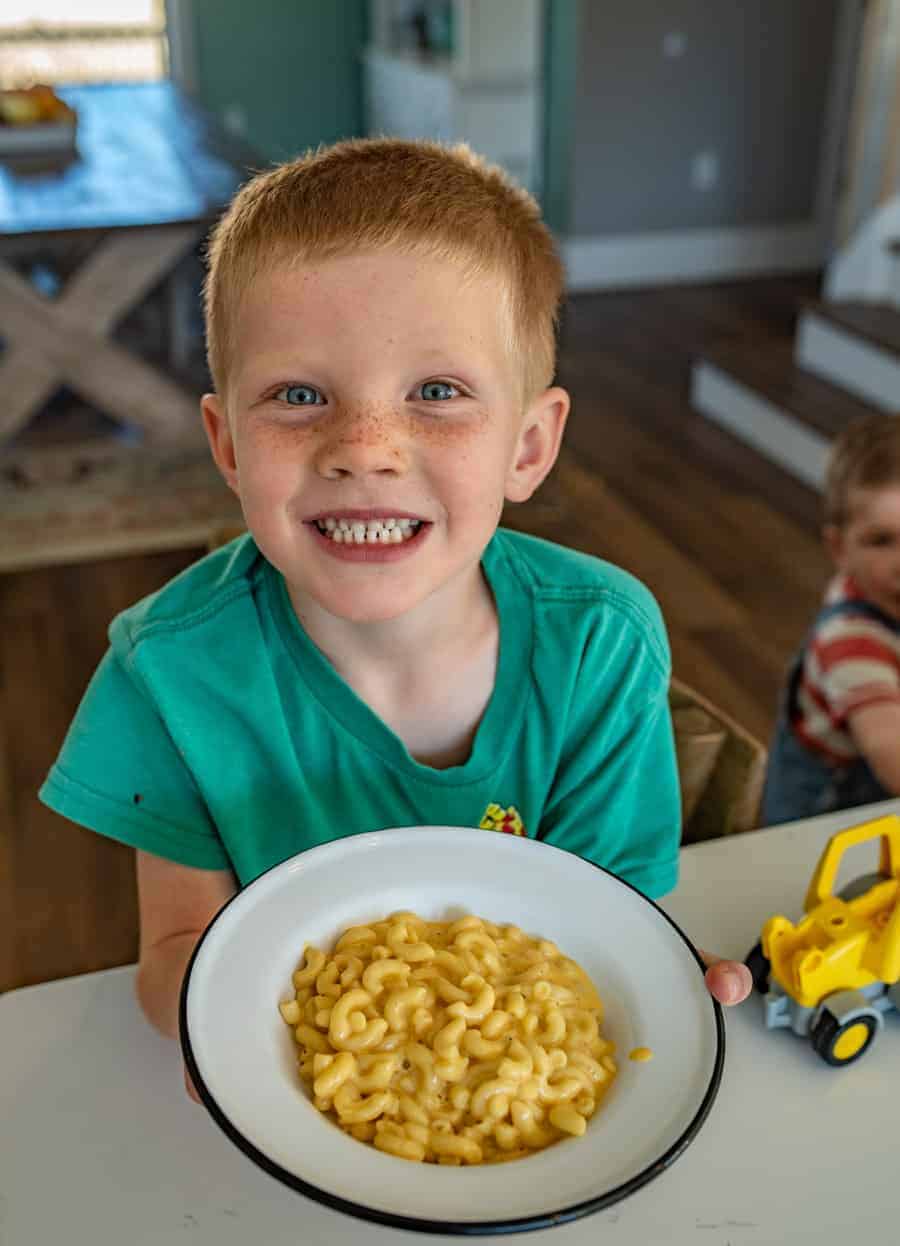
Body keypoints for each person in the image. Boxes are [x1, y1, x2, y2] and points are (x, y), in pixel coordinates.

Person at [39, 139, 750, 1100]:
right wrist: (342, 1045)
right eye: (298, 396)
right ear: (228, 443)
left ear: (529, 446)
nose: (364, 450)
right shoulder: (166, 674)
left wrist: (641, 979)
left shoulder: (602, 644)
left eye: (437, 393)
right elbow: (173, 962)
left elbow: (605, 922)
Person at [763, 413, 900, 825]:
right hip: (824, 833)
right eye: (881, 541)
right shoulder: (849, 640)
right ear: (840, 549)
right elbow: (889, 750)